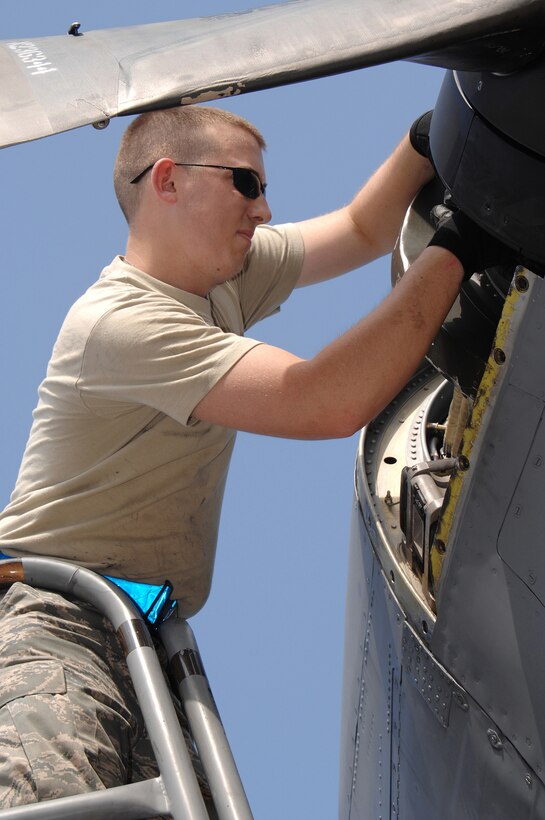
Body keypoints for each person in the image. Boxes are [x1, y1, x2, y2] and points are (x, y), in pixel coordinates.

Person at [0, 105, 509, 806]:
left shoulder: (225, 281)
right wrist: (460, 242)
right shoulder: (120, 323)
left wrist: (437, 135)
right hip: (54, 624)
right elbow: (320, 399)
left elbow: (361, 228)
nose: (263, 209)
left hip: (145, 641)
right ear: (168, 181)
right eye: (244, 183)